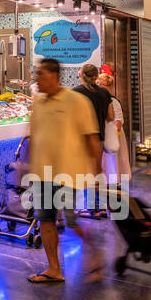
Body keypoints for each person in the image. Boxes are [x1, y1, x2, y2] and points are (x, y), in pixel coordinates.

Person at [26, 57, 103, 284]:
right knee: (46, 221)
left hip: (69, 172)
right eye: (36, 75)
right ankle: (54, 269)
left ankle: (94, 251)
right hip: (43, 174)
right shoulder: (38, 102)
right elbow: (35, 136)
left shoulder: (77, 101)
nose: (37, 79)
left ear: (54, 77)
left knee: (72, 221)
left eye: (41, 75)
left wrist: (97, 171)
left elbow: (92, 137)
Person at [73, 64, 113, 217]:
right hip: (99, 138)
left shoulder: (76, 93)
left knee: (85, 173)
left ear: (81, 75)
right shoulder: (104, 93)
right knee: (97, 171)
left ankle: (90, 208)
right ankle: (100, 207)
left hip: (82, 139)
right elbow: (110, 116)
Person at [97, 71, 130, 187]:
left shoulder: (113, 101)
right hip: (104, 136)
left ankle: (115, 184)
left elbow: (118, 122)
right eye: (97, 84)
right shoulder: (99, 100)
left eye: (101, 85)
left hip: (112, 136)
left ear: (108, 87)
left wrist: (110, 139)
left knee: (113, 163)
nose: (99, 87)